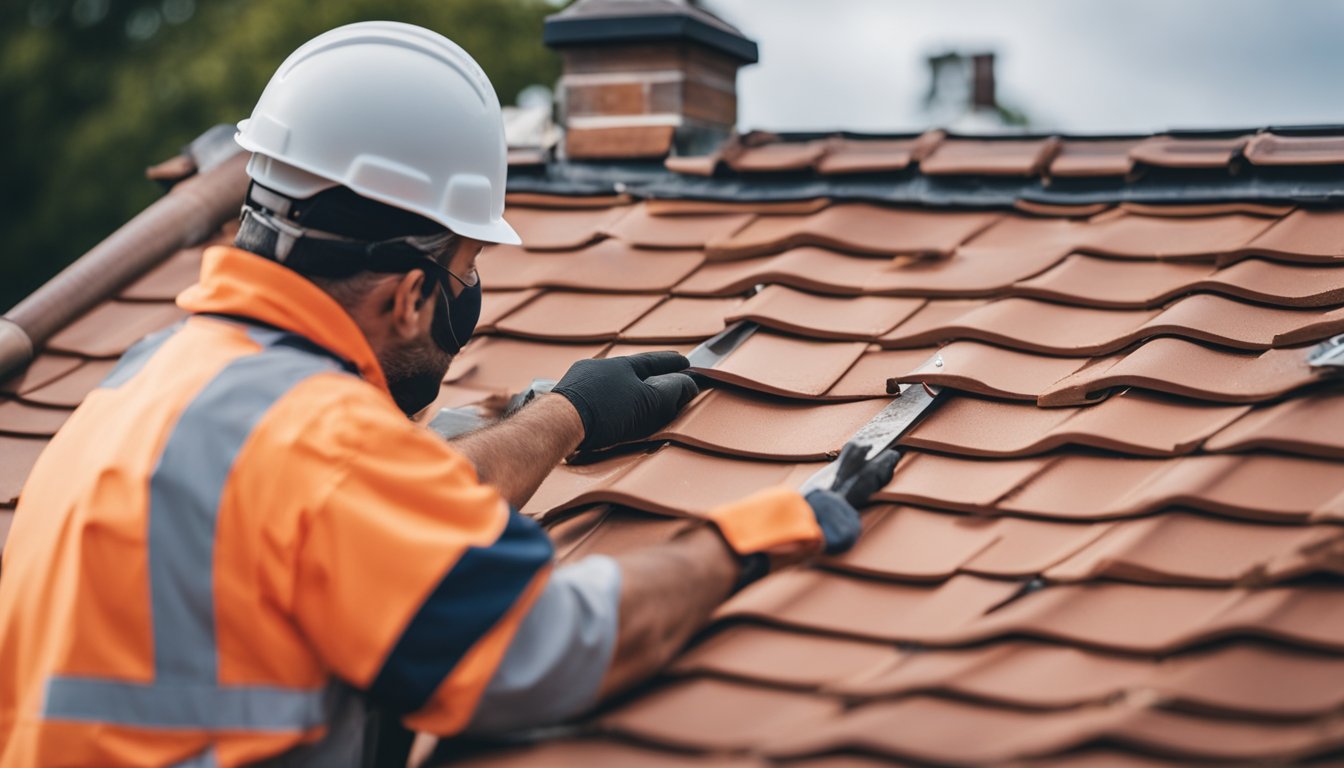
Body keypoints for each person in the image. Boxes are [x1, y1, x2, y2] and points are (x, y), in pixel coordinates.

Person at [0, 22, 899, 767]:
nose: (472, 298)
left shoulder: (147, 380)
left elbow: (356, 529)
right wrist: (754, 532)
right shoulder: (316, 444)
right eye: (467, 270)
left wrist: (566, 416)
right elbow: (549, 647)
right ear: (408, 293)